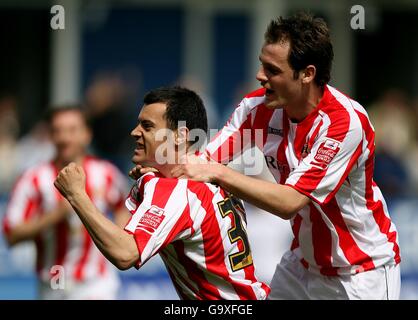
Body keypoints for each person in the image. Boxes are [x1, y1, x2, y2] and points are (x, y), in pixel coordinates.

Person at [169, 12, 401, 300]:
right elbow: (202, 162)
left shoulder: (344, 122)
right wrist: (156, 170)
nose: (260, 76)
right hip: (302, 265)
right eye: (261, 66)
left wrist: (217, 172)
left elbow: (289, 202)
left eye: (272, 70)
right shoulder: (257, 108)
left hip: (361, 273)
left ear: (307, 74)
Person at [53, 87, 270, 300]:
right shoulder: (212, 174)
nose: (135, 132)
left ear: (179, 136)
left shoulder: (176, 191)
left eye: (147, 126)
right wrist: (149, 182)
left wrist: (76, 195)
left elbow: (124, 254)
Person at [2, 105, 130, 299]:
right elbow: (11, 234)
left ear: (87, 134)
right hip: (55, 280)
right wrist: (55, 215)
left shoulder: (106, 174)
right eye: (57, 131)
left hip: (96, 281)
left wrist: (119, 237)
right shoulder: (34, 179)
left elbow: (123, 207)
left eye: (72, 130)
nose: (64, 138)